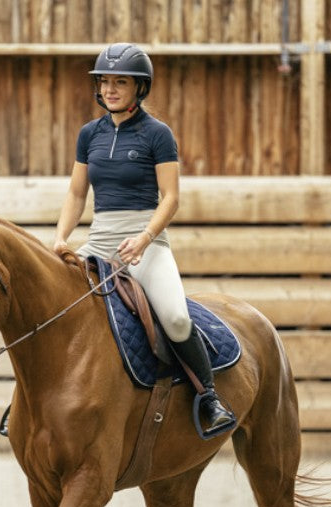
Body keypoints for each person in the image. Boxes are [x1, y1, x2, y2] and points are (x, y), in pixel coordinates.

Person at [53, 42, 236, 436]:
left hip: (146, 243)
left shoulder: (158, 134)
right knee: (56, 308)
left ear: (140, 88)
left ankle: (210, 399)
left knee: (174, 316)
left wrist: (145, 238)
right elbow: (76, 194)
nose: (111, 89)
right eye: (105, 82)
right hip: (100, 240)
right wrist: (60, 238)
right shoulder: (89, 135)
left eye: (121, 82)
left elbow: (171, 198)